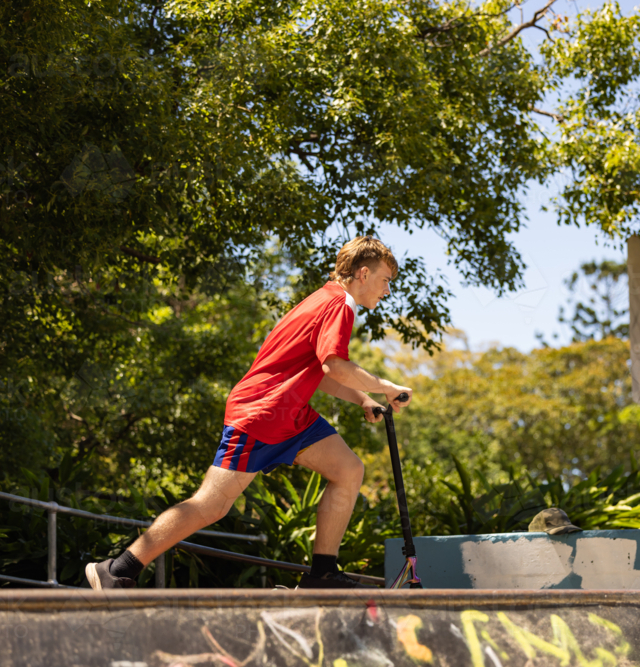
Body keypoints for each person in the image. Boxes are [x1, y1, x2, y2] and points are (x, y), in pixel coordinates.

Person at [85, 236, 412, 590]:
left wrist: (363, 399)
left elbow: (318, 372)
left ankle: (323, 574)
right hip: (263, 413)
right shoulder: (339, 304)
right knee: (211, 505)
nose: (387, 291)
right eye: (385, 281)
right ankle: (118, 569)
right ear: (363, 273)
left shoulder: (324, 299)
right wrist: (385, 386)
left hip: (290, 414)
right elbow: (334, 365)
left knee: (348, 469)